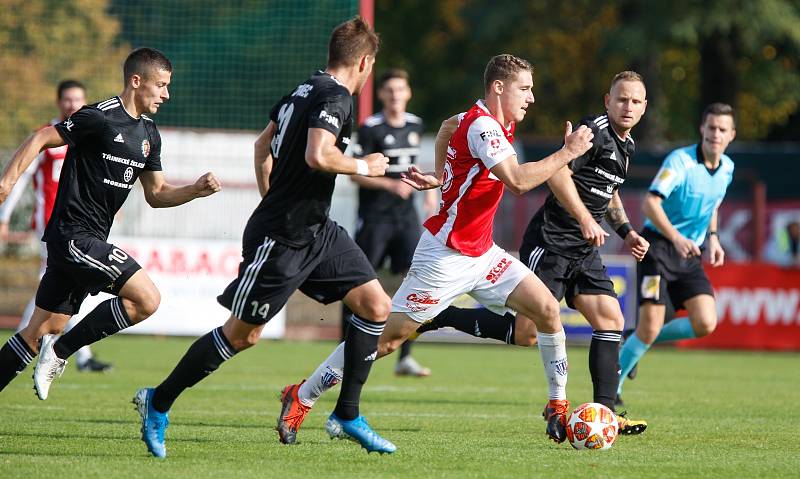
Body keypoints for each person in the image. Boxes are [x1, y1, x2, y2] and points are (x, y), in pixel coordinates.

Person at [276, 54, 595, 446]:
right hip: (444, 257)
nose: (531, 98)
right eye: (524, 89)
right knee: (386, 340)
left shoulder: (484, 120)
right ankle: (302, 394)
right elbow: (516, 181)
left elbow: (446, 128)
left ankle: (557, 406)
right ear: (498, 87)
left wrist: (444, 177)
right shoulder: (483, 127)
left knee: (547, 313)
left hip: (483, 254)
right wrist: (568, 152)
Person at [133, 17, 393, 458]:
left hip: (317, 231)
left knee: (376, 306)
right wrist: (364, 166)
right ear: (365, 62)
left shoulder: (304, 89)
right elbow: (318, 155)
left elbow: (261, 148)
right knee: (242, 335)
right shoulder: (336, 96)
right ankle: (156, 402)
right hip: (283, 236)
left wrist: (275, 196)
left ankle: (346, 414)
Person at [414, 71, 651, 435]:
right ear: (607, 100)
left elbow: (610, 191)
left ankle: (605, 414)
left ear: (644, 107)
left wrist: (626, 230)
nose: (628, 107)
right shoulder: (595, 132)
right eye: (622, 99)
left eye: (636, 101)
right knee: (526, 334)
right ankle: (444, 317)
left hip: (584, 249)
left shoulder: (626, 144)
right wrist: (586, 218)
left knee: (610, 320)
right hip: (552, 241)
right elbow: (557, 174)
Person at [0, 47, 221, 400]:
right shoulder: (99, 117)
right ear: (137, 81)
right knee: (146, 300)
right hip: (73, 236)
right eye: (161, 85)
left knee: (40, 330)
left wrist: (194, 190)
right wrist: (7, 182)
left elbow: (157, 194)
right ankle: (60, 352)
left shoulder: (149, 134)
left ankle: (52, 346)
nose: (166, 94)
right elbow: (43, 137)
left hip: (85, 239)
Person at [616, 103, 736, 405]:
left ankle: (633, 340)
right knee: (650, 327)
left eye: (722, 130)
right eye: (711, 128)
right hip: (657, 248)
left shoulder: (728, 168)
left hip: (689, 252)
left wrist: (714, 238)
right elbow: (650, 204)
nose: (715, 134)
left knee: (706, 322)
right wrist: (677, 237)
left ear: (731, 135)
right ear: (702, 129)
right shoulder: (681, 161)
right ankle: (612, 390)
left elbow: (714, 205)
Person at [0, 80, 112, 373]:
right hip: (50, 227)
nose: (72, 105)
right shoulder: (45, 137)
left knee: (64, 287)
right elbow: (21, 177)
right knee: (57, 286)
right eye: (67, 100)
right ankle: (29, 345)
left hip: (79, 226)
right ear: (58, 102)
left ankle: (67, 353)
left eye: (78, 100)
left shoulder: (87, 135)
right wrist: (4, 216)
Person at [342, 68, 437, 377]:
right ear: (382, 95)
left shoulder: (415, 124)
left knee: (418, 279)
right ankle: (346, 351)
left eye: (401, 89)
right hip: (374, 219)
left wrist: (428, 191)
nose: (396, 95)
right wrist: (388, 185)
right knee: (357, 282)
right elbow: (355, 172)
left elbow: (412, 164)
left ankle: (405, 356)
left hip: (405, 217)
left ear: (408, 93)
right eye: (390, 90)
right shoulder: (370, 128)